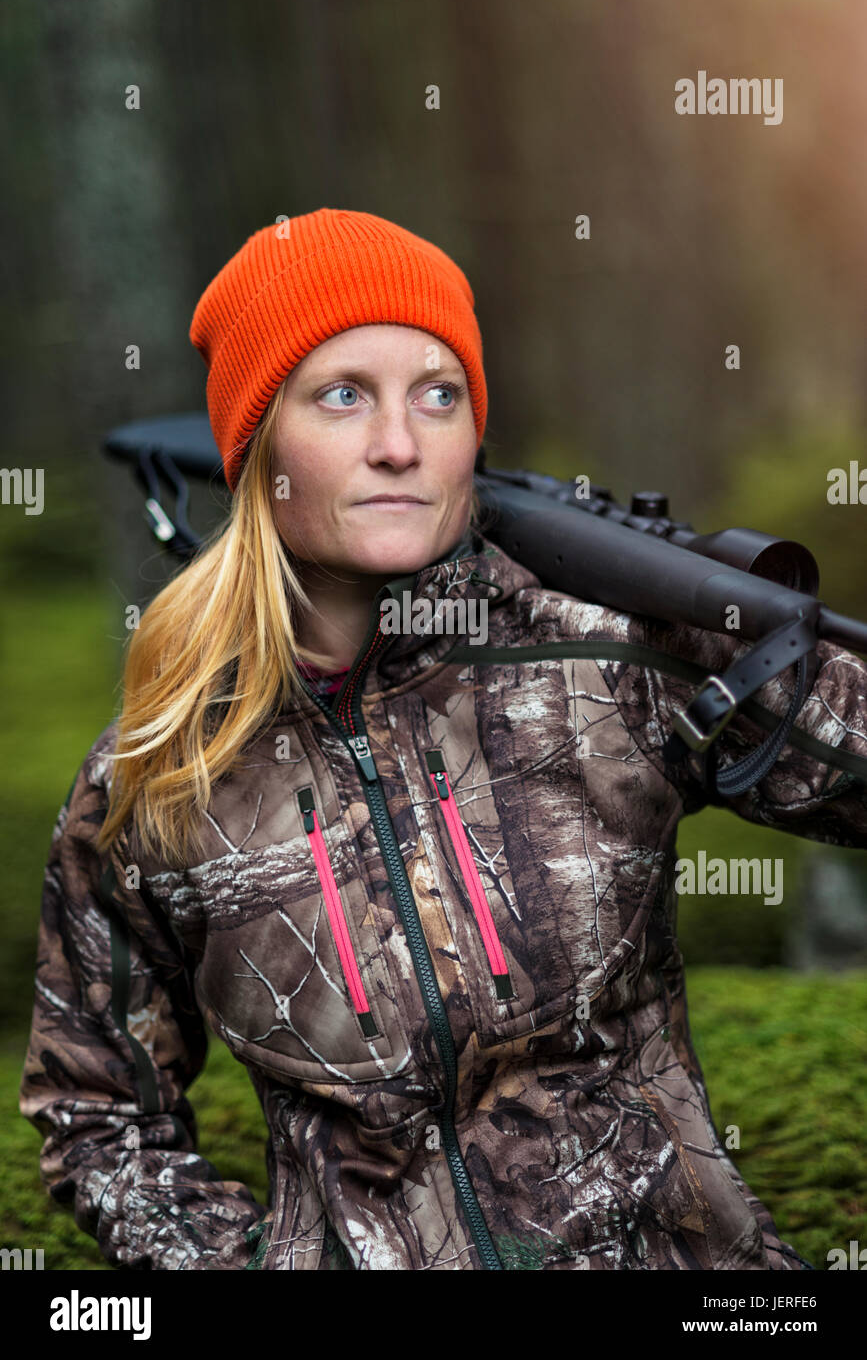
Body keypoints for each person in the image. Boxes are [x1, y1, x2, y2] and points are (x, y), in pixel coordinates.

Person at [19, 208, 867, 1271]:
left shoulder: (606, 655)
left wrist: (741, 649)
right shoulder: (152, 770)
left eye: (439, 394)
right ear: (256, 438)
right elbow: (95, 1111)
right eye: (342, 395)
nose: (398, 444)